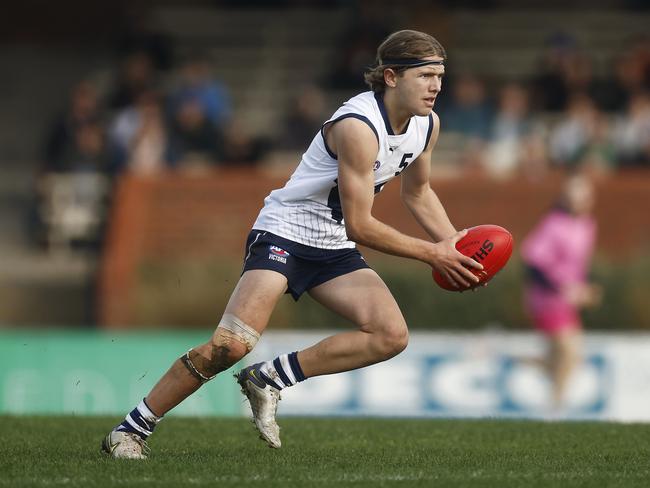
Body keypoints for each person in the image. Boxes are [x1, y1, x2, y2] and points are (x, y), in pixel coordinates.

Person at [101, 29, 483, 459]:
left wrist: (454, 245)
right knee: (230, 346)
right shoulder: (358, 127)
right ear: (391, 77)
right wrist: (433, 253)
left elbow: (418, 193)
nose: (436, 86)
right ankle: (129, 430)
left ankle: (270, 377)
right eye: (426, 75)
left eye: (440, 76)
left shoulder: (427, 125)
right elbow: (361, 225)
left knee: (390, 335)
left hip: (332, 246)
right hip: (285, 233)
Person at [521, 174, 602, 410]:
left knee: (561, 358)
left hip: (567, 301)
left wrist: (583, 290)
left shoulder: (588, 225)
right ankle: (555, 408)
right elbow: (533, 264)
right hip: (547, 299)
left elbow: (578, 265)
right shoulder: (553, 223)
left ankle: (510, 358)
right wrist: (562, 289)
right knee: (570, 352)